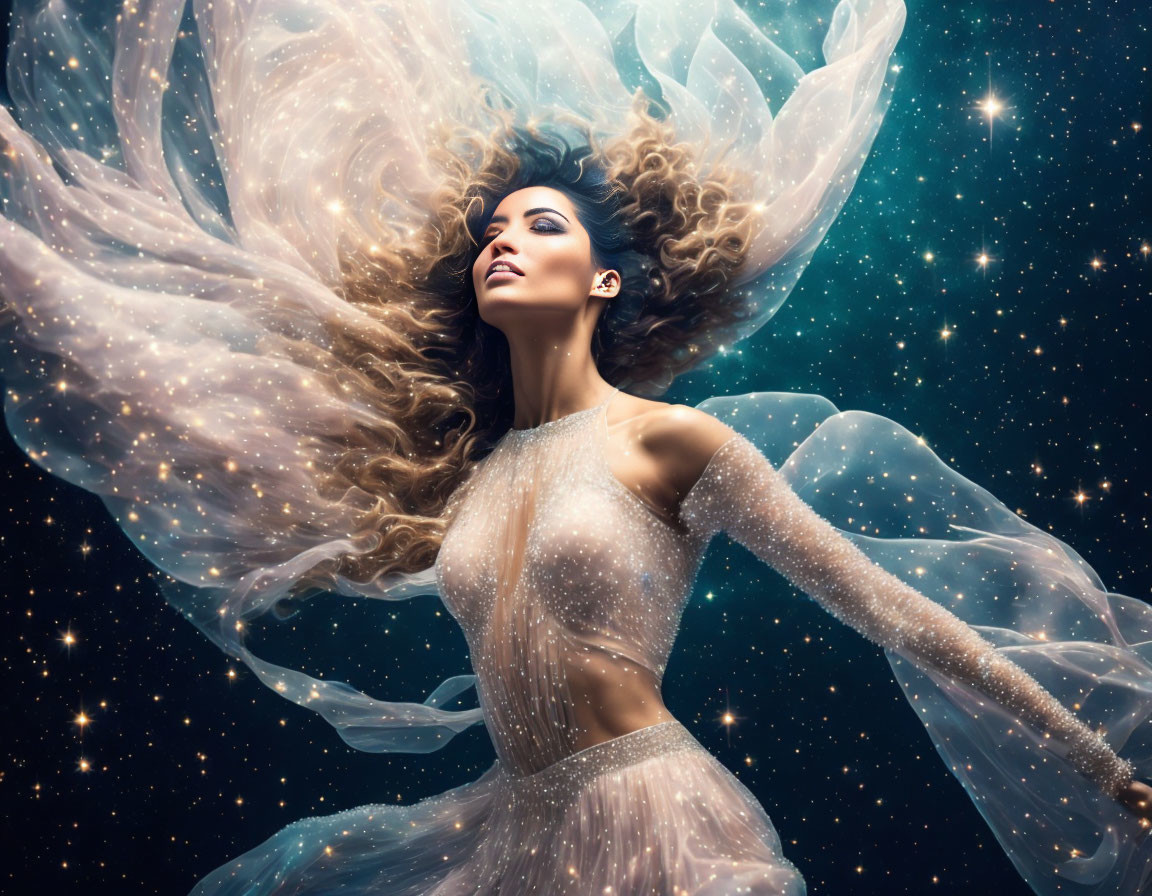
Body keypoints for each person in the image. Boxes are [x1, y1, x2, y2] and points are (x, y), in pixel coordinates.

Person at [2, 0, 1152, 893]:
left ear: (604, 279)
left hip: (656, 816)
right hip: (510, 829)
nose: (503, 241)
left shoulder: (668, 443)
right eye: (492, 231)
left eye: (539, 225)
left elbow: (893, 609)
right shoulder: (468, 477)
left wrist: (1097, 761)